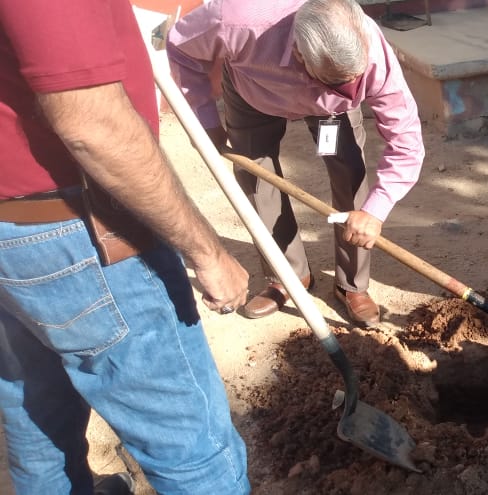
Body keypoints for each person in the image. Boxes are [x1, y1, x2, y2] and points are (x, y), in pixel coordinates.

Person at [0, 0, 250, 493]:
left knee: (34, 409)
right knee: (188, 445)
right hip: (74, 234)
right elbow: (93, 126)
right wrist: (209, 253)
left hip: (10, 235)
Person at [166, 0, 425, 326]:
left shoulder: (372, 54)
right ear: (299, 56)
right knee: (257, 179)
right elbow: (180, 45)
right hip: (253, 91)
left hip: (332, 111)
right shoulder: (236, 20)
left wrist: (376, 211)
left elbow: (407, 143)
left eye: (354, 82)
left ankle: (352, 286)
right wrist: (205, 121)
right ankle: (287, 276)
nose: (353, 90)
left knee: (351, 177)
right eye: (336, 82)